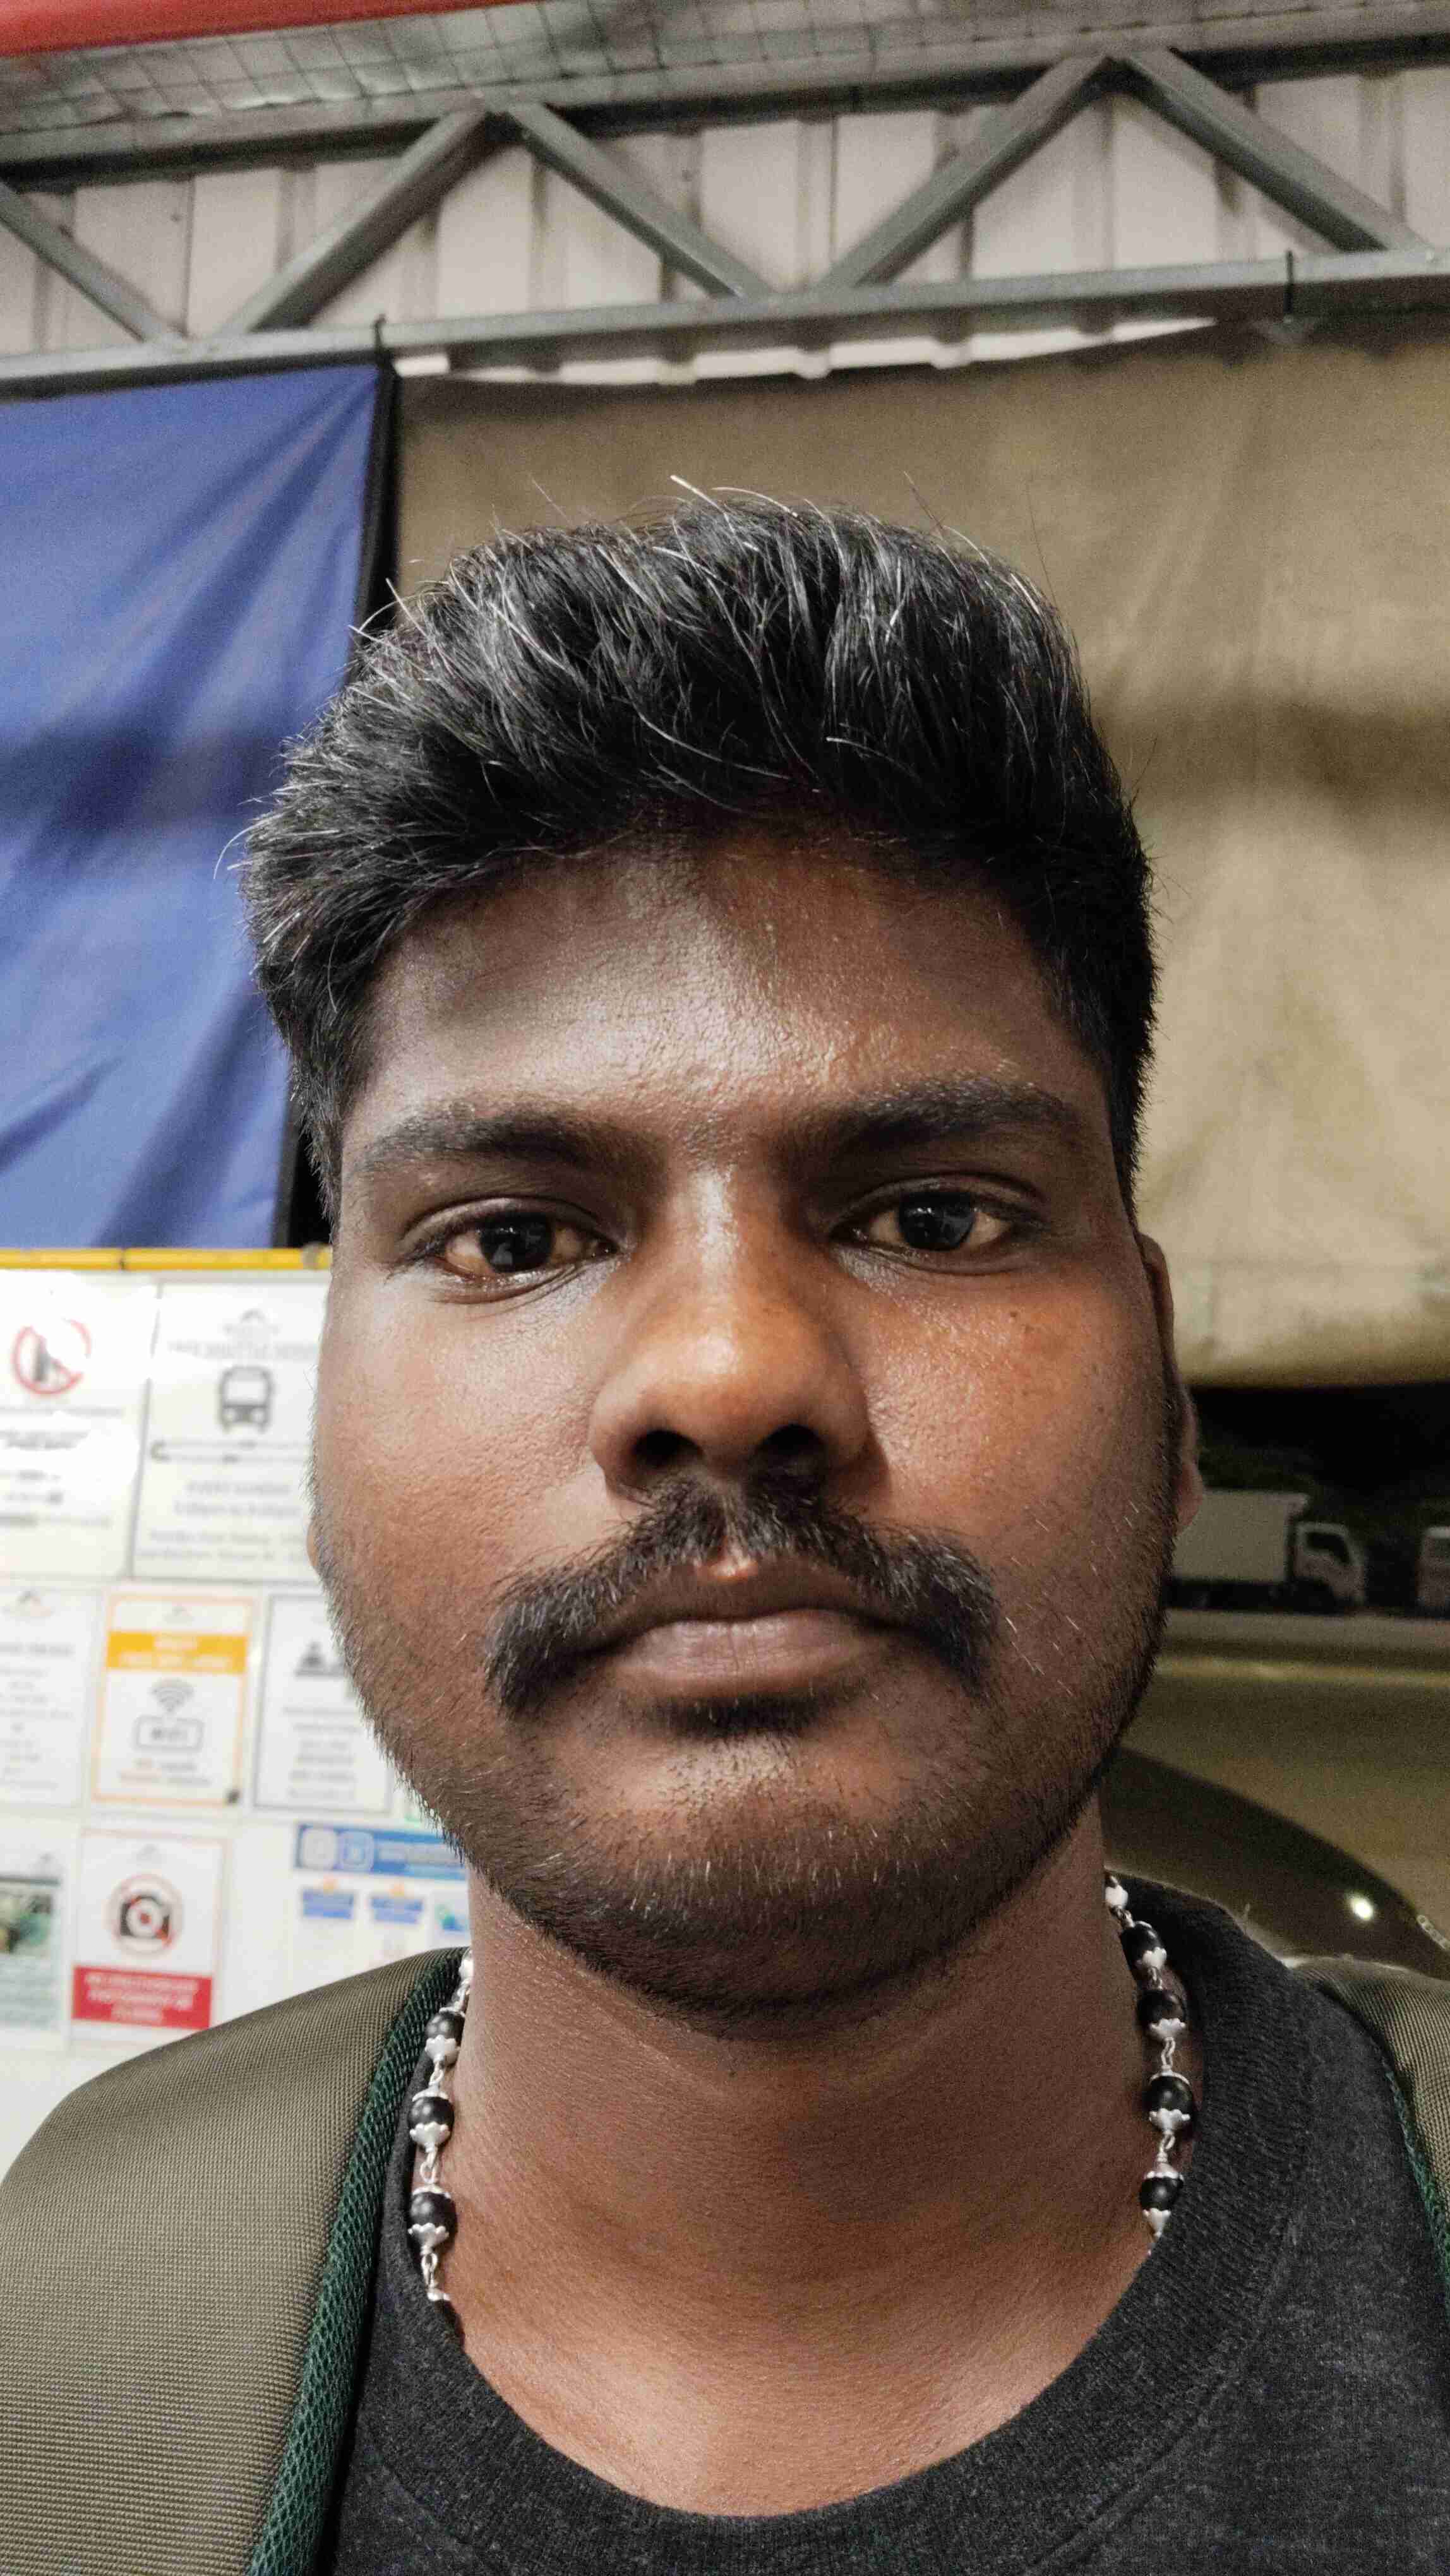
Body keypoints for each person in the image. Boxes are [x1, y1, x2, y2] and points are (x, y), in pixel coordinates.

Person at [4, 499, 1449, 2573]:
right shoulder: (57, 2337)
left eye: (931, 1215)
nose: (727, 1369)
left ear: (1166, 1382)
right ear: (317, 1413)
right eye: (514, 1237)